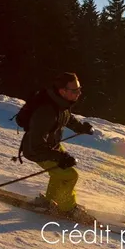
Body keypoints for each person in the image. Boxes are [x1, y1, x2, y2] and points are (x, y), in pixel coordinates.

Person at [21, 72, 94, 220]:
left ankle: (48, 202)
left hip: (51, 146)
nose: (79, 93)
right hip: (37, 150)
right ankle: (67, 209)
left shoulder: (61, 103)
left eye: (79, 89)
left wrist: (81, 128)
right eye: (75, 90)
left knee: (59, 173)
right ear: (62, 91)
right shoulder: (46, 111)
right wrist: (60, 157)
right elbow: (37, 145)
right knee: (69, 175)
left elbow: (66, 117)